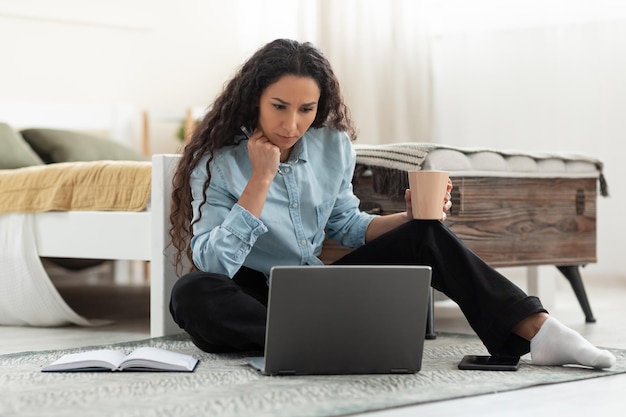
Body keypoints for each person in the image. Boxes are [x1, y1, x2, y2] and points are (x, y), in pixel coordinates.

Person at [168, 38, 615, 369]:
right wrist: (260, 179)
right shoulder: (218, 161)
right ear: (255, 100)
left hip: (322, 291)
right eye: (279, 106)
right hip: (258, 297)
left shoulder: (333, 146)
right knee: (192, 294)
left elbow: (345, 225)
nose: (292, 124)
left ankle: (540, 331)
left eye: (306, 109)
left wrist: (413, 217)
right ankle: (340, 341)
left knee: (425, 232)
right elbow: (214, 264)